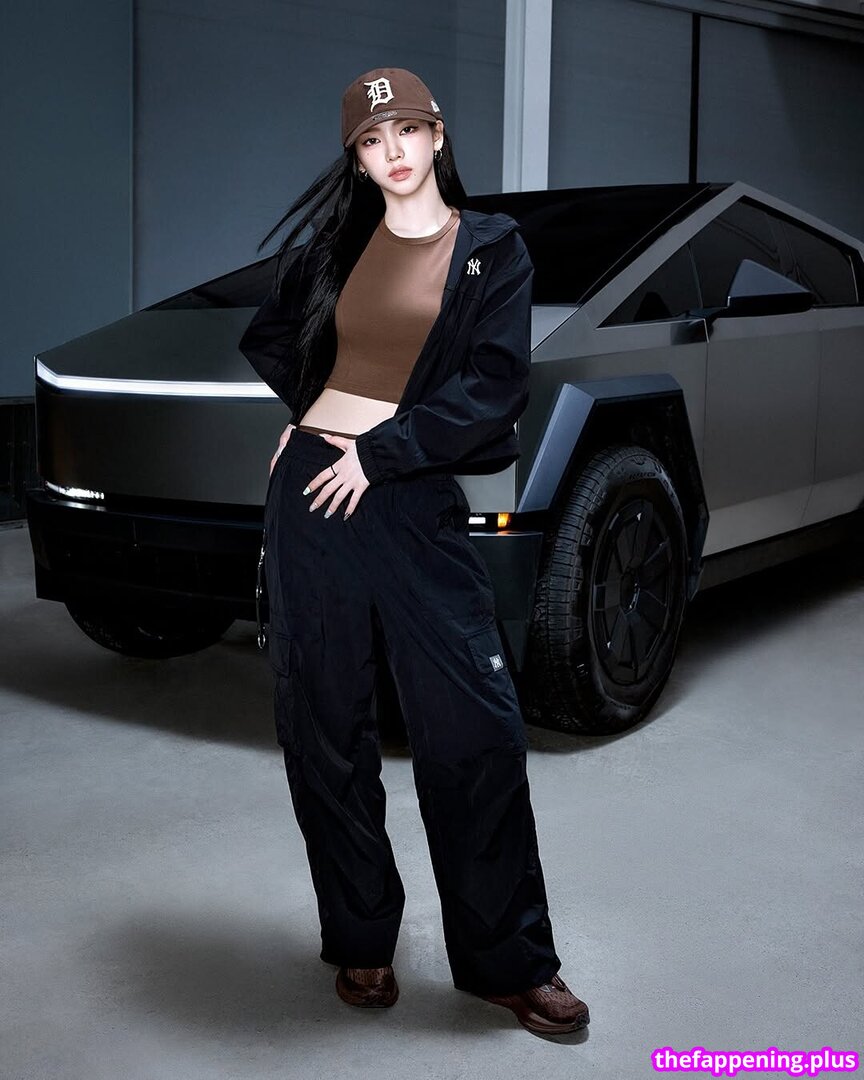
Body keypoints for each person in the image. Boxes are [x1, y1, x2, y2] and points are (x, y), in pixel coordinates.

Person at [238, 66, 590, 1037]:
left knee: (475, 723)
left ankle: (510, 962)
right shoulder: (338, 249)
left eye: (405, 131)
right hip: (314, 495)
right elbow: (275, 336)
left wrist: (379, 451)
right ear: (357, 159)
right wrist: (310, 419)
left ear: (438, 136)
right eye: (370, 139)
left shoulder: (491, 250)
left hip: (407, 493)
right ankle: (361, 939)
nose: (390, 151)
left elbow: (492, 388)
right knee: (325, 722)